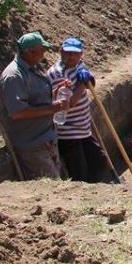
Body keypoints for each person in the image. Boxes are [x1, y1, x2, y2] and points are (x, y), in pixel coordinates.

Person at [0, 32, 71, 180]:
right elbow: (18, 112)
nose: (44, 54)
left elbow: (36, 99)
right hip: (31, 143)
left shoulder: (33, 68)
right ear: (31, 52)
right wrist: (54, 108)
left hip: (46, 138)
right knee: (51, 186)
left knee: (57, 183)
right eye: (42, 50)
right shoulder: (14, 76)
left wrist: (56, 91)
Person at [47, 37, 111, 183]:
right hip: (68, 132)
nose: (71, 56)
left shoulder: (78, 65)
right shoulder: (57, 74)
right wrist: (82, 83)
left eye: (75, 53)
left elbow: (90, 83)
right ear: (61, 52)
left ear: (81, 54)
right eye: (68, 53)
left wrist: (88, 76)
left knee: (99, 161)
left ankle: (95, 189)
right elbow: (67, 104)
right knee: (79, 172)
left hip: (83, 129)